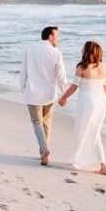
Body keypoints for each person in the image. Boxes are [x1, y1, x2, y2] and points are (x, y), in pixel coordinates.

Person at [58, 40, 106, 175]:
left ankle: (103, 165)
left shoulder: (82, 67)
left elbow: (74, 86)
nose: (81, 49)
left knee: (90, 131)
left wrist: (64, 97)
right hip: (101, 100)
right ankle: (80, 157)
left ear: (88, 52)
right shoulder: (104, 67)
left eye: (83, 48)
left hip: (88, 101)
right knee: (92, 130)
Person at [19, 25, 69, 166]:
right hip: (49, 94)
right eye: (57, 36)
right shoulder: (56, 53)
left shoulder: (29, 49)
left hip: (33, 93)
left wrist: (23, 89)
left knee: (37, 123)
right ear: (50, 36)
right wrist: (64, 94)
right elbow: (61, 77)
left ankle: (44, 150)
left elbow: (23, 72)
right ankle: (44, 152)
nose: (57, 39)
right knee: (46, 123)